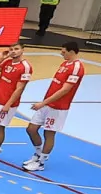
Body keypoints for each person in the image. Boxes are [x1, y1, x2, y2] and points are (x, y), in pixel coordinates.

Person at [17, 41, 86, 171]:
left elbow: (65, 90)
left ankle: (41, 163)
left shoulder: (77, 68)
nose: (61, 53)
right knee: (31, 129)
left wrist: (42, 103)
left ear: (72, 52)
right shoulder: (65, 63)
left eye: (64, 51)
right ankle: (38, 154)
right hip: (47, 103)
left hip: (58, 107)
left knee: (49, 134)